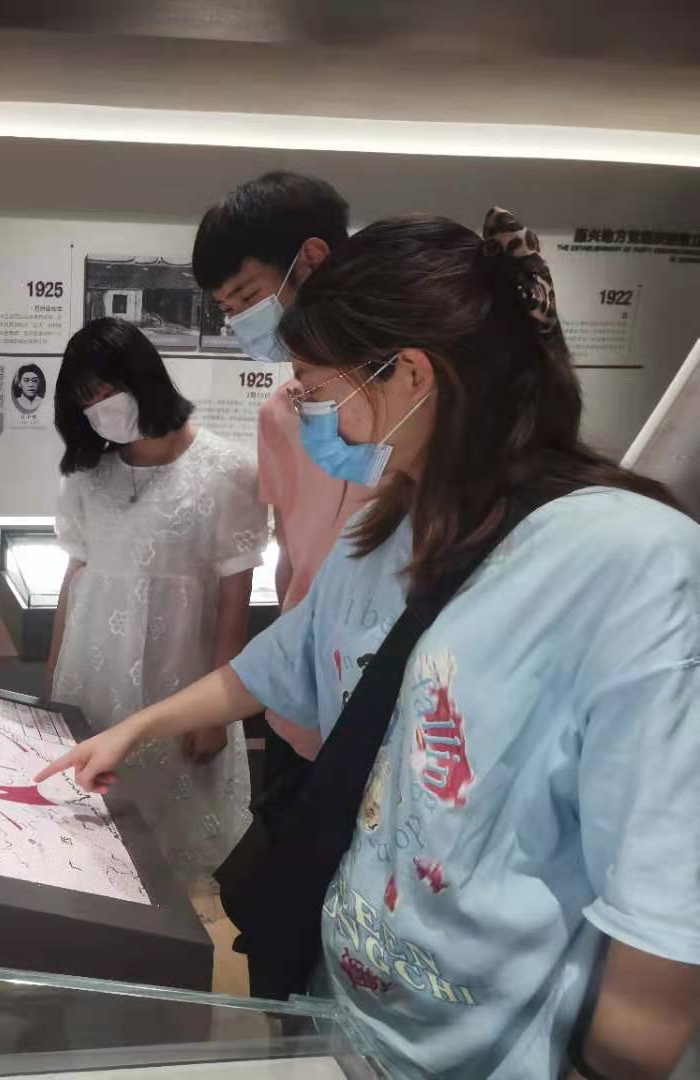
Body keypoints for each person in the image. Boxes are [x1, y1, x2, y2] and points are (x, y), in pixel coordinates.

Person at [39, 211, 700, 1078]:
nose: (306, 411)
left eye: (315, 387)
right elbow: (275, 665)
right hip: (346, 1012)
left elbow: (660, 920)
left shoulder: (633, 564)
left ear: (410, 375)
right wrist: (135, 728)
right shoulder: (390, 528)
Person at [45, 317, 269, 887]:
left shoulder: (228, 470)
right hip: (92, 677)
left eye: (106, 391)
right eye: (85, 400)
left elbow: (235, 596)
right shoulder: (87, 475)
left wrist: (217, 714)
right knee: (89, 838)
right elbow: (75, 577)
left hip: (179, 682)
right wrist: (52, 681)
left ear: (143, 378)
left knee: (171, 848)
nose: (99, 409)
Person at [193, 171, 364, 764]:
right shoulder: (280, 415)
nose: (242, 321)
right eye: (228, 310)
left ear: (311, 259)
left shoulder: (412, 406)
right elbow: (291, 558)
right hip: (302, 683)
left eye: (247, 299)